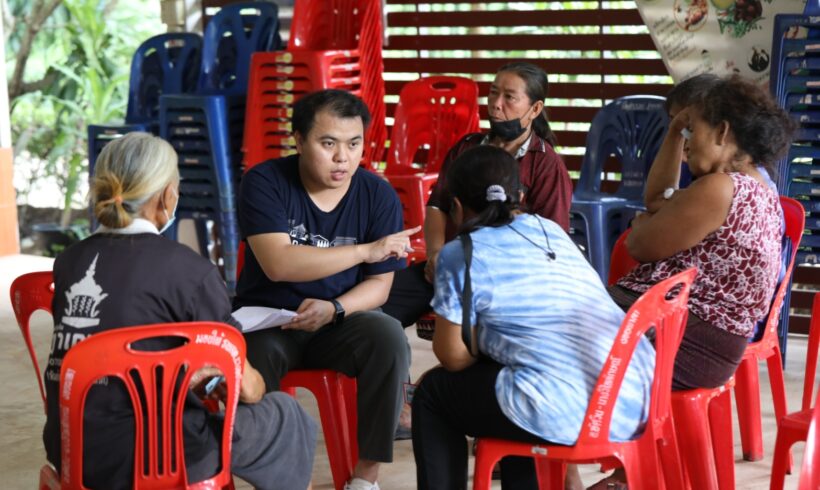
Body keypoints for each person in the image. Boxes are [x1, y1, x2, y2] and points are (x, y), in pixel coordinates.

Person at [42, 133, 317, 490]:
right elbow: (247, 389)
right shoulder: (188, 270)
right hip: (163, 455)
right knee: (285, 414)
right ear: (166, 195)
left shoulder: (69, 262)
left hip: (74, 450)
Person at [411, 145, 655, 490]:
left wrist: (483, 339)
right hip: (630, 398)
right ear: (520, 197)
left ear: (457, 207)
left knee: (433, 394)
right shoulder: (548, 229)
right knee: (510, 380)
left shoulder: (461, 253)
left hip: (568, 413)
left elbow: (452, 356)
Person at [234, 89, 414, 490]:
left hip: (338, 322)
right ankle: (277, 479)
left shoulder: (376, 193)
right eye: (328, 143)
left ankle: (365, 479)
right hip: (270, 322)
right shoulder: (265, 181)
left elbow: (380, 285)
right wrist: (366, 250)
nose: (342, 158)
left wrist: (335, 307)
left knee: (387, 337)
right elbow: (279, 263)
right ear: (299, 141)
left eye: (354, 145)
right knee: (252, 363)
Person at [610, 74, 793, 391]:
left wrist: (642, 224)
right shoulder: (754, 189)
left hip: (684, 342)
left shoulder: (721, 189)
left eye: (690, 130)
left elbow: (638, 245)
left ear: (722, 132)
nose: (685, 144)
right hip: (692, 338)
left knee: (536, 328)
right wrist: (673, 133)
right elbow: (658, 200)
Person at [382, 62, 573, 330]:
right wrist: (437, 256)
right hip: (452, 265)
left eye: (509, 97)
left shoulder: (546, 165)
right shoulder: (467, 148)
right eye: (493, 93)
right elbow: (438, 205)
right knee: (378, 306)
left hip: (508, 279)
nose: (496, 104)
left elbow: (552, 240)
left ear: (535, 109)